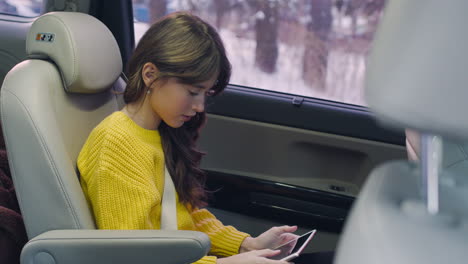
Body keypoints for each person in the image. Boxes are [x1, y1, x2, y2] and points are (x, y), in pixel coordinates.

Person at [77, 12, 332, 264]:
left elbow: (185, 218)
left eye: (205, 94)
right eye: (192, 92)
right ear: (150, 75)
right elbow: (131, 257)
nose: (200, 106)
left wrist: (245, 245)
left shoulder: (159, 132)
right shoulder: (116, 143)